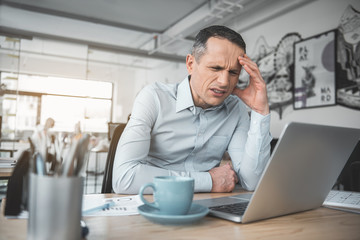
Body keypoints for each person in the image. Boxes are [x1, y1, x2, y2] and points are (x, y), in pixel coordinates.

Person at [112, 25, 272, 194]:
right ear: (190, 64)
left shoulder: (235, 108)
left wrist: (260, 111)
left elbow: (252, 182)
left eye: (233, 72)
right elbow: (124, 178)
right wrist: (208, 181)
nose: (224, 81)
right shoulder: (154, 98)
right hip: (153, 202)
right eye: (215, 68)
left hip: (207, 208)